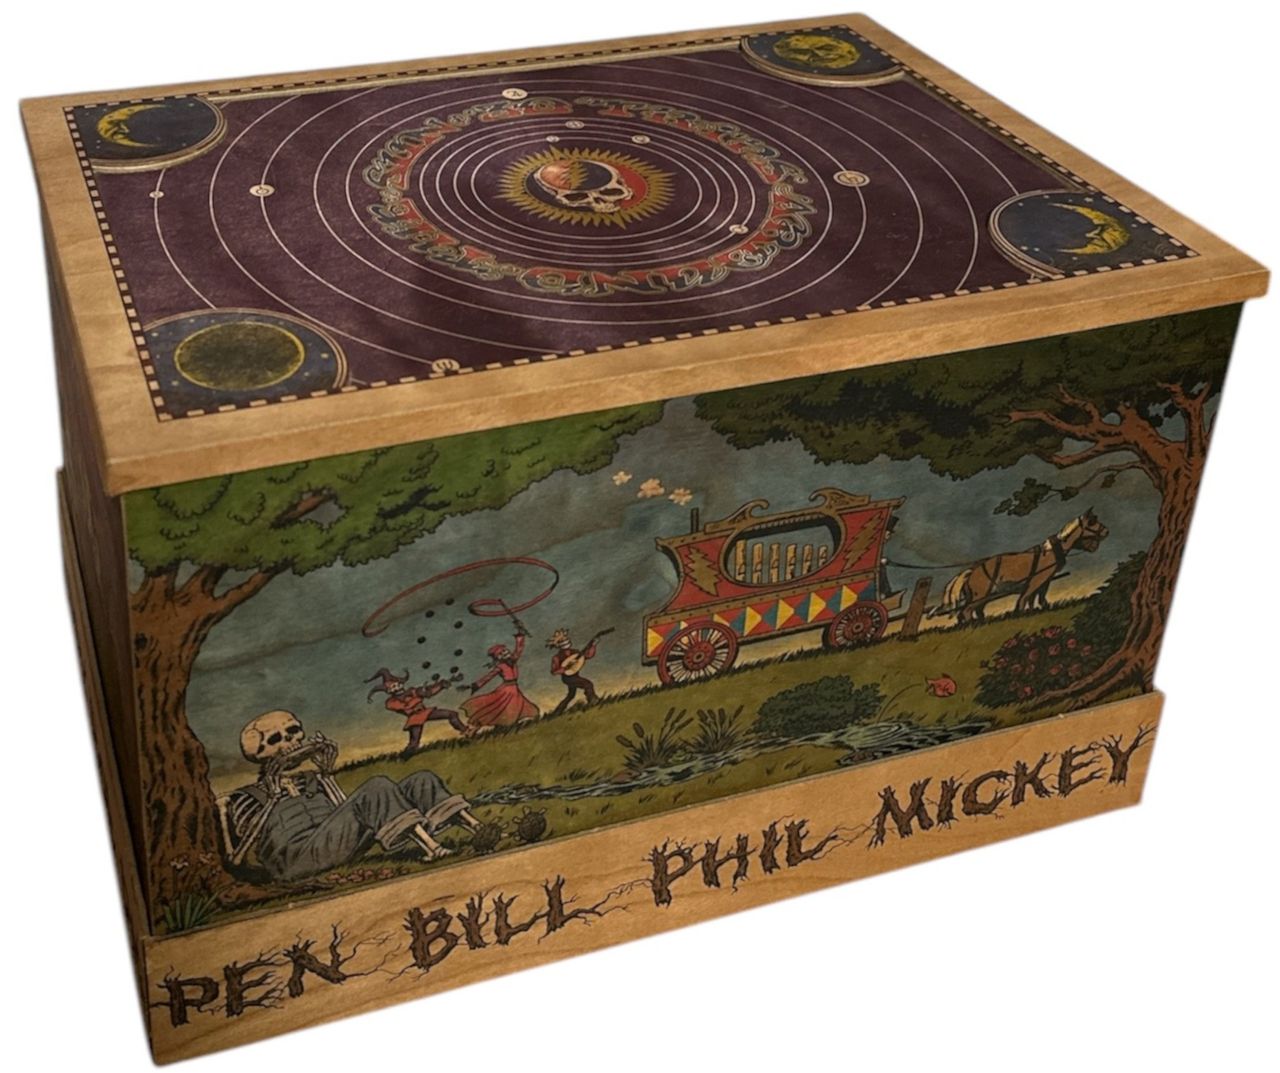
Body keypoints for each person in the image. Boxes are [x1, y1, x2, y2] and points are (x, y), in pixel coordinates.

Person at [365, 668, 469, 751]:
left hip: (426, 712)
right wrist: (416, 696)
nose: (397, 687)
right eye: (393, 686)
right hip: (415, 718)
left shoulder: (412, 691)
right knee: (414, 743)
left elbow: (429, 692)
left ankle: (466, 731)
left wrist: (441, 685)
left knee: (452, 714)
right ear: (389, 691)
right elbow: (405, 706)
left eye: (397, 684)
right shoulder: (391, 702)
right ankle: (407, 756)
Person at [461, 627, 539, 729]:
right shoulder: (501, 666)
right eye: (501, 653)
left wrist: (521, 635)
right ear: (498, 657)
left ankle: (507, 724)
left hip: (514, 689)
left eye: (505, 651)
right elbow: (488, 677)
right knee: (499, 707)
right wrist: (474, 685)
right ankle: (495, 725)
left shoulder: (513, 660)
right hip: (507, 690)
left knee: (516, 706)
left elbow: (518, 650)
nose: (505, 653)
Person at [547, 627, 601, 716]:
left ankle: (558, 711)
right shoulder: (557, 657)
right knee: (587, 684)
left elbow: (588, 655)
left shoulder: (575, 652)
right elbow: (554, 672)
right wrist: (563, 669)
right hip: (568, 678)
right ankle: (593, 701)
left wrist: (593, 645)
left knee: (571, 695)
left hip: (575, 676)